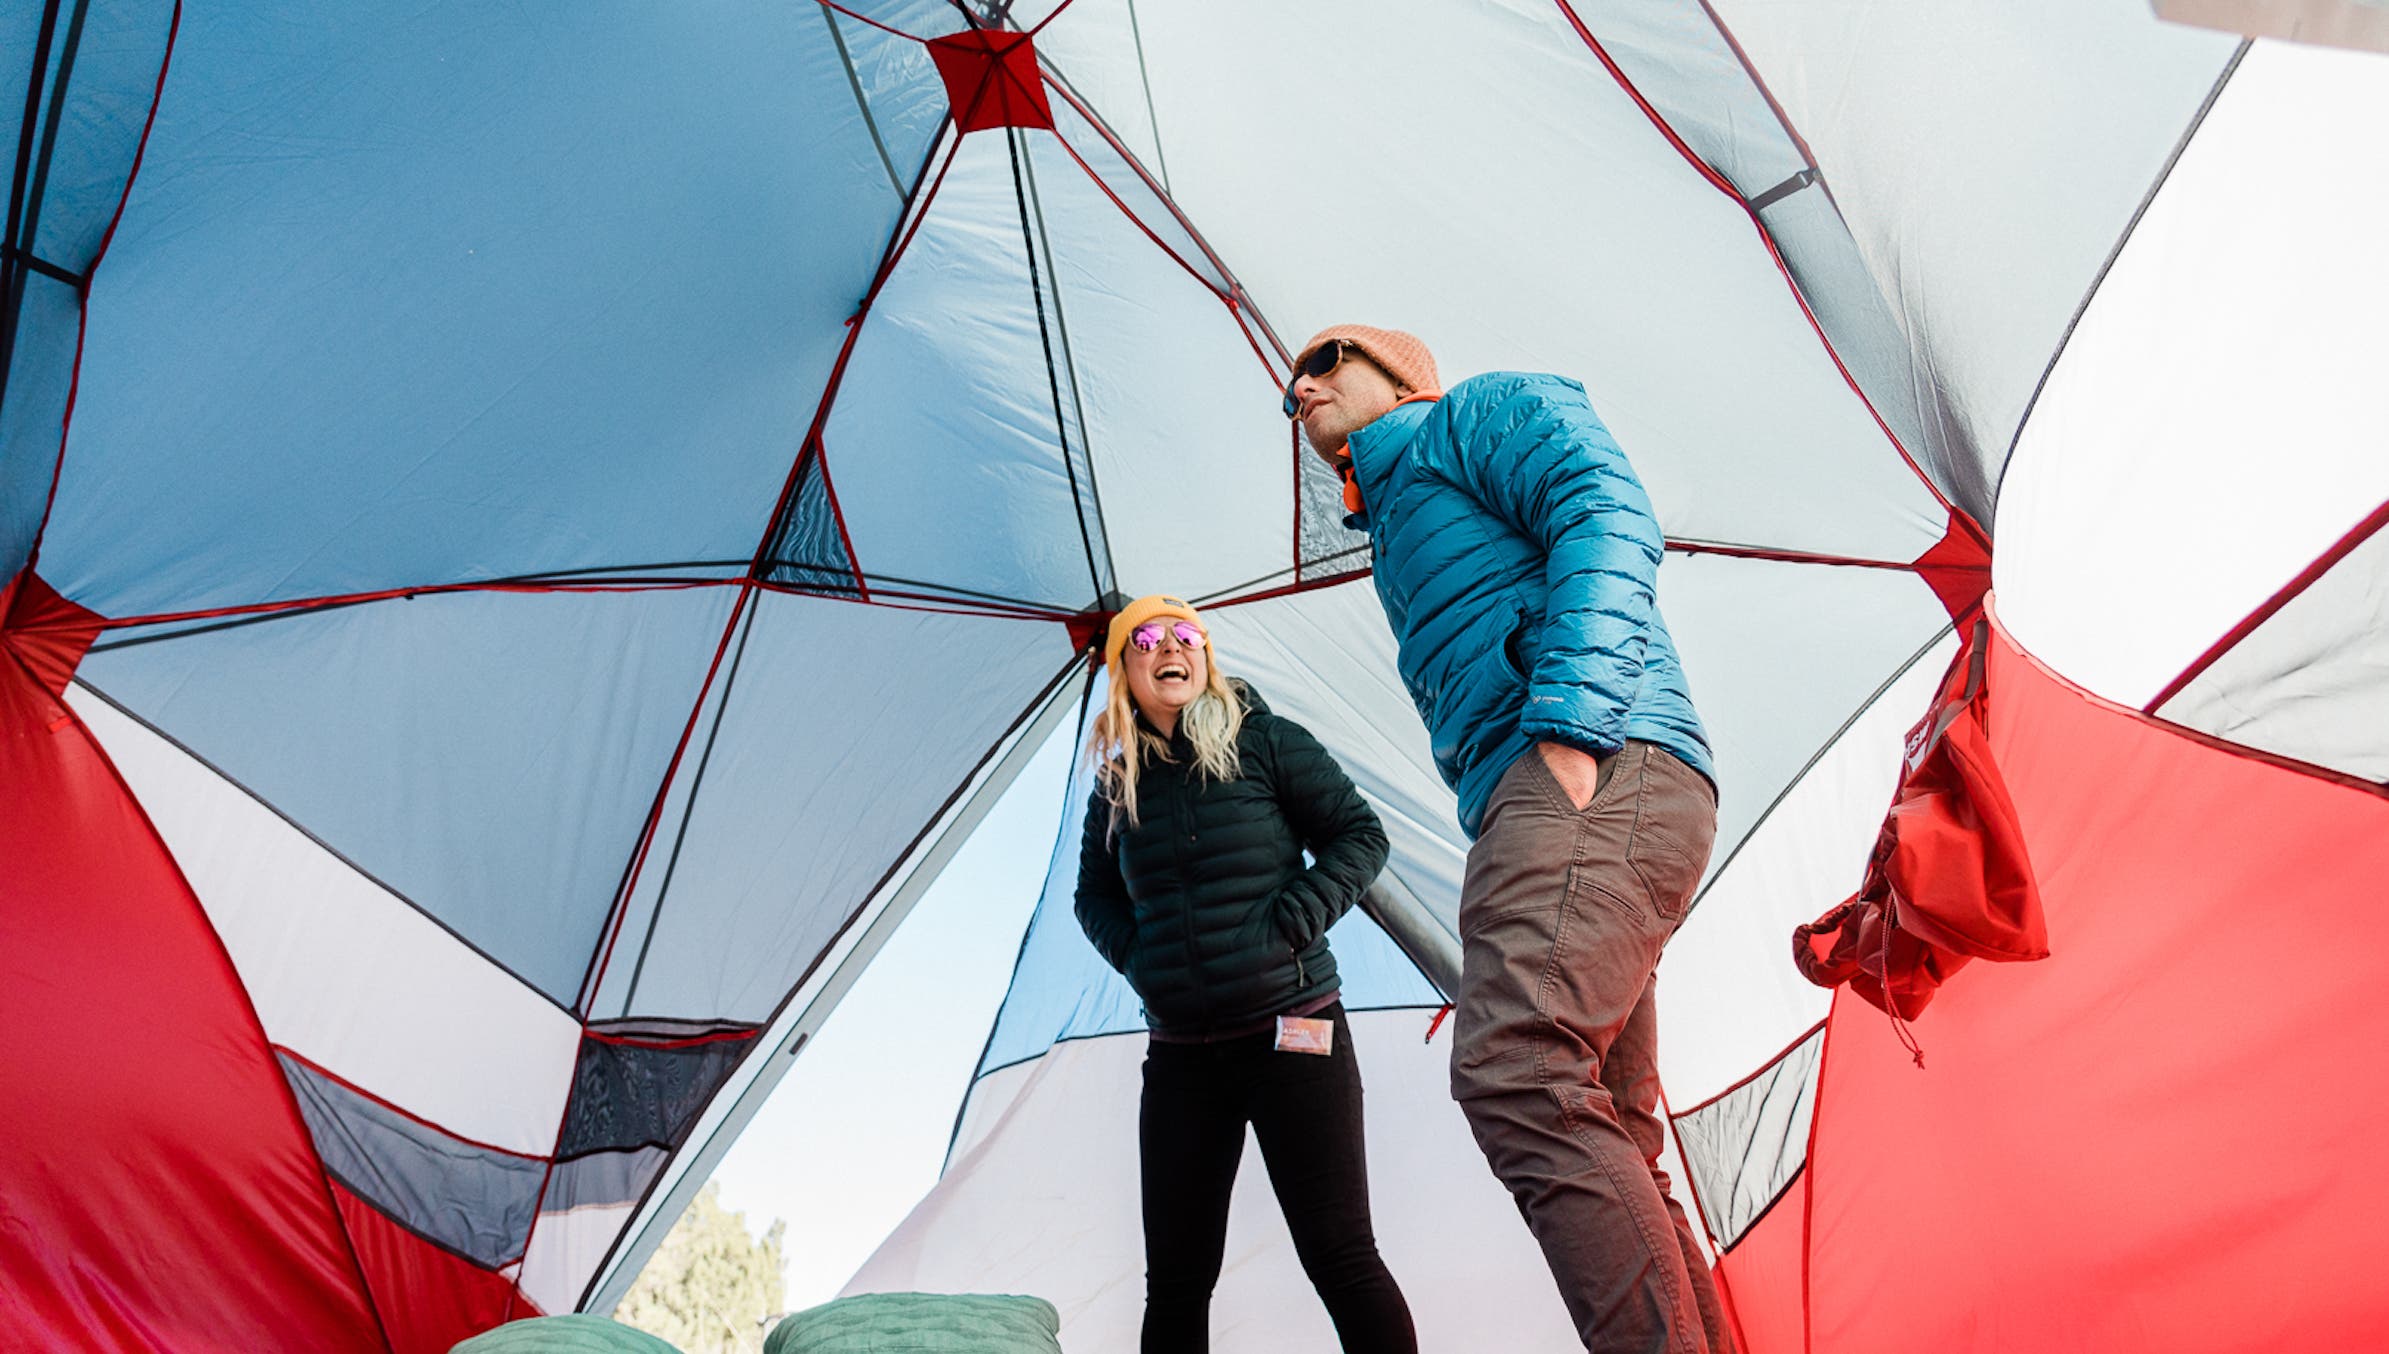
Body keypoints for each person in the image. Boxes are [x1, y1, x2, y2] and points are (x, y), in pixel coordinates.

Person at [1283, 326, 1731, 1354]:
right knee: (1607, 1122)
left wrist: (1571, 725)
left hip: (1597, 760)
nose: (1300, 388)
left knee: (1517, 1067)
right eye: (1290, 387)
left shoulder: (1470, 415)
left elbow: (1605, 510)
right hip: (1562, 797)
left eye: (1327, 359)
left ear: (1399, 369)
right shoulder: (1394, 533)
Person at [1074, 594, 1418, 1354]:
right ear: (1125, 665)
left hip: (1294, 1030)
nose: (1172, 646)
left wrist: (1294, 920)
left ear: (1205, 653)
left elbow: (1359, 835)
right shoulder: (1117, 783)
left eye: (1186, 633)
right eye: (1149, 637)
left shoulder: (1264, 742)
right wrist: (1142, 963)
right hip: (1182, 1060)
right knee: (1176, 1282)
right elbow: (1092, 897)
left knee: (1340, 1256)